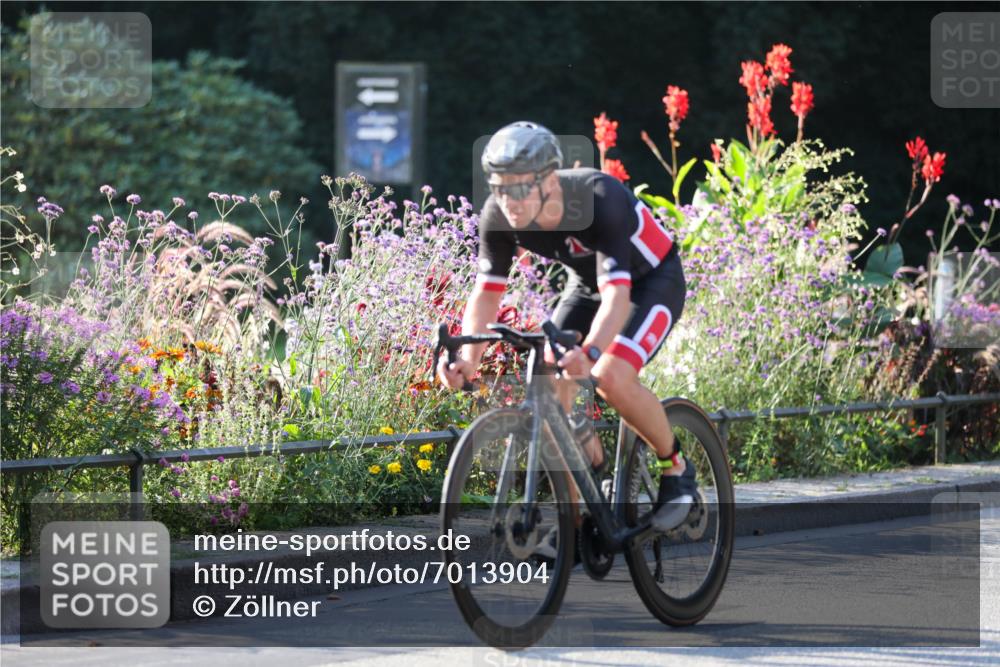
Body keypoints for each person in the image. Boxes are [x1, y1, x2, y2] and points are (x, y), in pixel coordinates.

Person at [436, 121, 696, 558]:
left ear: (549, 180)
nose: (509, 202)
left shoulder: (599, 199)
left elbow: (618, 295)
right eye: (500, 188)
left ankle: (677, 469)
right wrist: (468, 358)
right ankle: (577, 519)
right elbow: (486, 295)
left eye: (520, 189)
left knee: (610, 375)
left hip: (650, 280)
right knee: (547, 387)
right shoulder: (499, 217)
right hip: (586, 285)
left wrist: (591, 352)